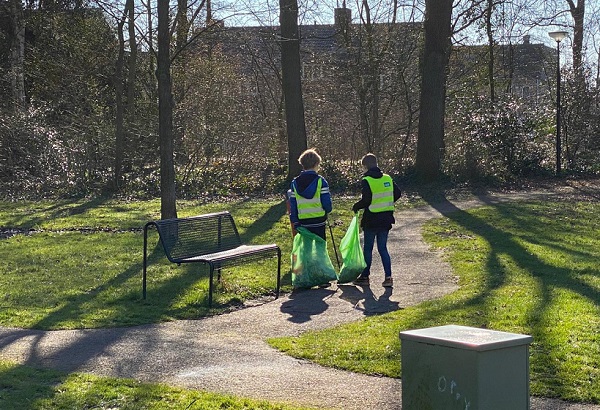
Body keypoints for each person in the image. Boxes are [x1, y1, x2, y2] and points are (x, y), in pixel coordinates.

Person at [352, 153, 401, 287]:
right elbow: (398, 193)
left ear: (365, 166)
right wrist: (387, 203)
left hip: (371, 219)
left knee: (368, 248)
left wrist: (356, 206)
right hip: (386, 219)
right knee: (383, 248)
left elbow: (366, 200)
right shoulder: (387, 178)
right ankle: (388, 277)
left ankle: (365, 276)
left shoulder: (367, 180)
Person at [288, 148, 332, 240]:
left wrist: (295, 221)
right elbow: (327, 204)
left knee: (306, 248)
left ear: (302, 164)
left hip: (303, 221)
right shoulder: (321, 181)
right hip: (319, 220)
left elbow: (293, 204)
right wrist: (327, 209)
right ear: (316, 164)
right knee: (320, 245)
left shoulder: (295, 183)